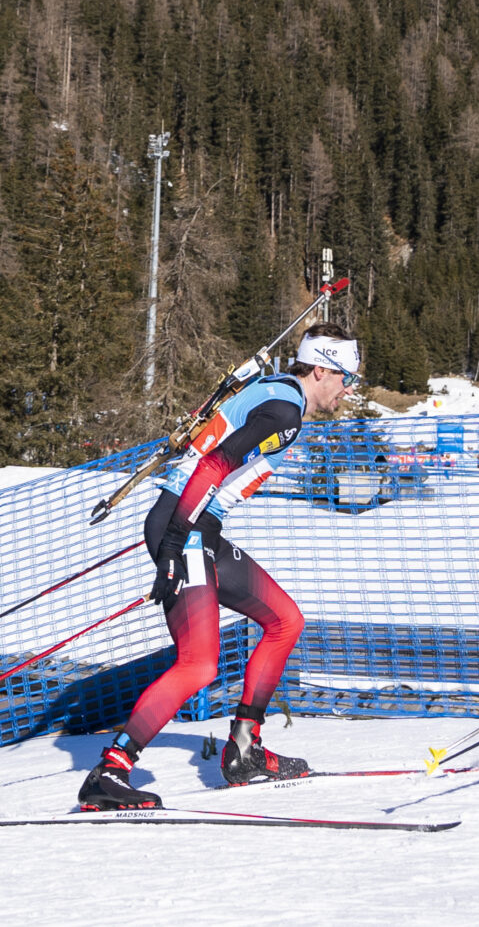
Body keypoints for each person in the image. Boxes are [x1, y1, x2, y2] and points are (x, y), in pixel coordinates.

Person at [77, 323, 362, 810]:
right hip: (185, 523)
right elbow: (215, 465)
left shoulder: (274, 389)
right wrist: (172, 544)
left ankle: (245, 749)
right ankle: (110, 772)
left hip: (197, 526)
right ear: (321, 370)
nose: (348, 389)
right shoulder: (285, 412)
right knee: (199, 663)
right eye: (346, 378)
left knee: (285, 620)